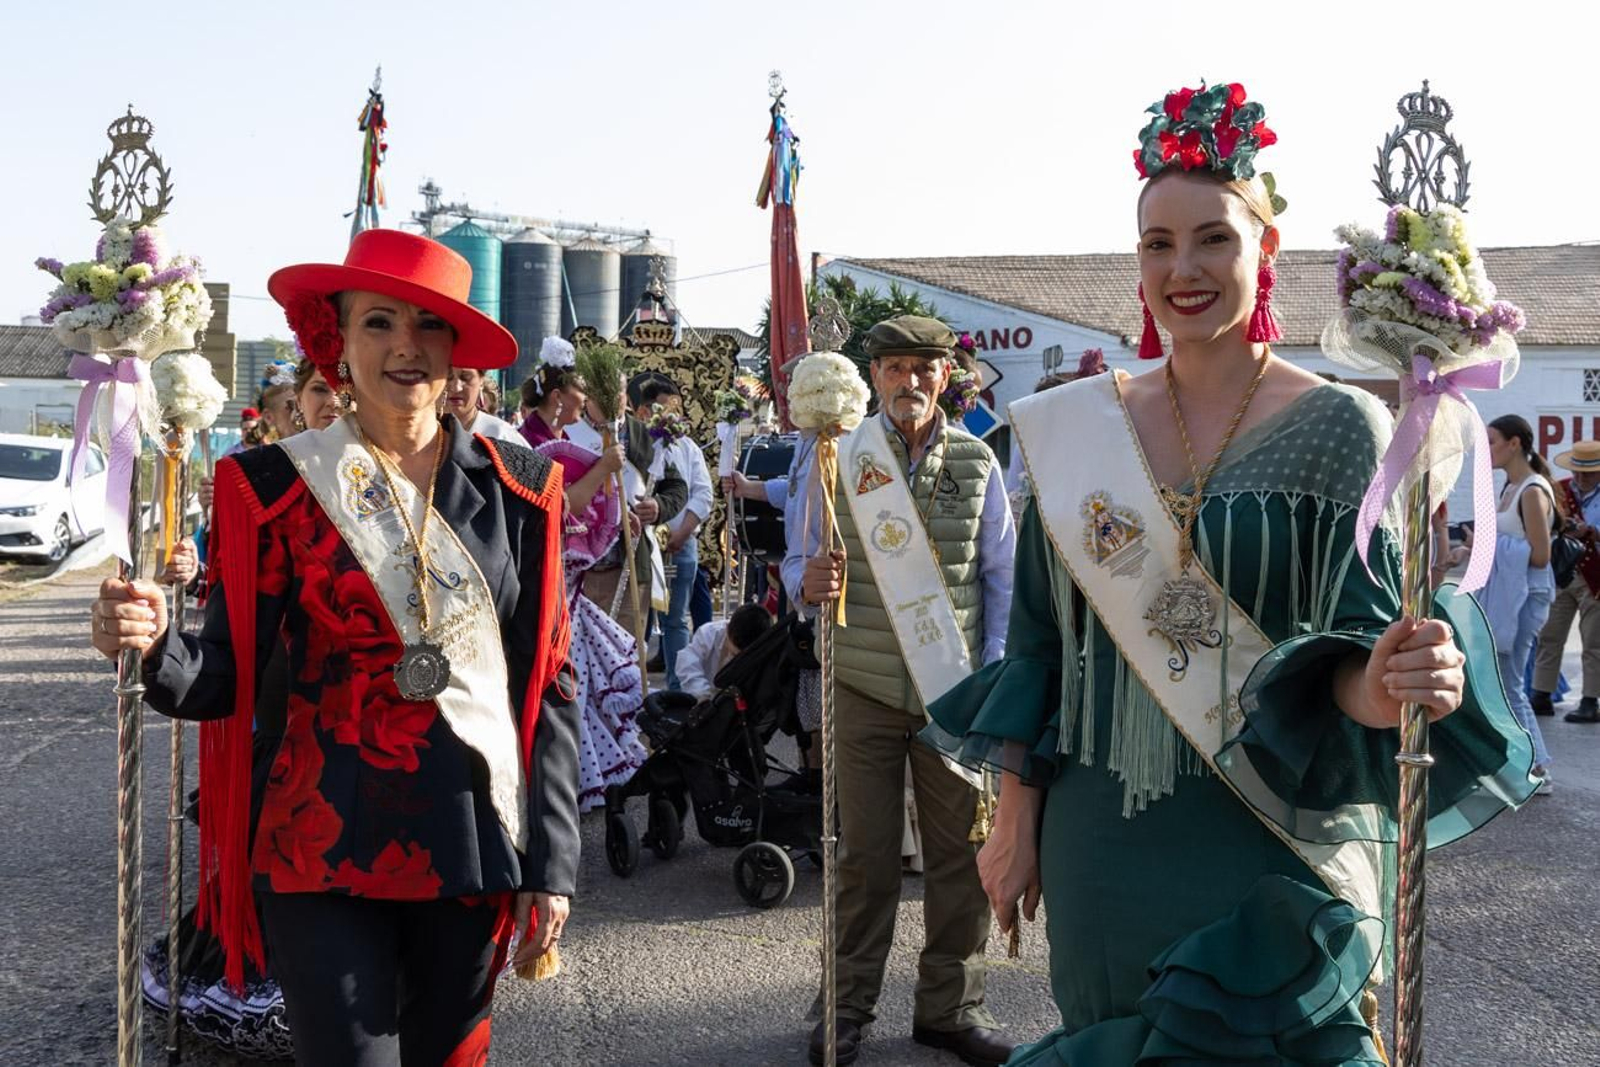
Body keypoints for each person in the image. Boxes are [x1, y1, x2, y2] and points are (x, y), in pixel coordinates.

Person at [924, 82, 1536, 1064]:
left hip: (1268, 835)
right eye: (1156, 244)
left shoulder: (1343, 427)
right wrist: (1015, 818)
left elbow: (1348, 658)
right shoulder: (1074, 427)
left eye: (1211, 236)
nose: (1183, 268)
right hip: (1102, 842)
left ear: (1265, 248)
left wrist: (1389, 684)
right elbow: (1037, 641)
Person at [89, 229, 581, 1066]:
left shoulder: (520, 491)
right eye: (379, 322)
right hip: (319, 844)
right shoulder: (280, 488)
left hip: (472, 838)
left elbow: (550, 682)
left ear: (454, 347)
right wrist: (153, 642)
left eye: (427, 324)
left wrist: (554, 857)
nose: (405, 345)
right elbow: (225, 676)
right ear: (339, 343)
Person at [788, 315, 1017, 1067]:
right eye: (895, 367)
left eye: (925, 368)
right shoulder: (834, 458)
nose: (910, 381)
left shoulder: (981, 462)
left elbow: (1001, 581)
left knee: (962, 857)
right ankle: (845, 1007)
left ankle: (951, 1009)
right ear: (876, 376)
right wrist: (806, 581)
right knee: (864, 857)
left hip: (953, 691)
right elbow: (799, 562)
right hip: (861, 686)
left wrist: (992, 677)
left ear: (946, 378)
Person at [521, 348, 651, 811]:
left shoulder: (558, 438)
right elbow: (562, 509)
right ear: (558, 396)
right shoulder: (528, 442)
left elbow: (589, 510)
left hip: (570, 592)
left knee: (585, 687)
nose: (584, 399)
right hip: (547, 592)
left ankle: (580, 781)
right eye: (579, 390)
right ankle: (559, 784)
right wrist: (602, 469)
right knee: (567, 691)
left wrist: (620, 516)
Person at [1481, 415, 1559, 793]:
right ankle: (1520, 763)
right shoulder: (1511, 487)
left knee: (1509, 681)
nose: (1487, 448)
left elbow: (1541, 555)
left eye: (1492, 441)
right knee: (1501, 680)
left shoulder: (1531, 490)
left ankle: (1539, 766)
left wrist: (1492, 547)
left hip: (1527, 594)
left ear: (1514, 444)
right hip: (1514, 593)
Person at [633, 375, 714, 690]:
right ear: (643, 411)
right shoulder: (635, 444)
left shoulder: (688, 447)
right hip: (640, 543)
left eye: (676, 410)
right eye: (664, 409)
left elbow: (702, 493)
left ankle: (677, 691)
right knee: (636, 620)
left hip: (681, 544)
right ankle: (632, 687)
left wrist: (683, 532)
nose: (672, 417)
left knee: (676, 620)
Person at [1532, 440, 1600, 724]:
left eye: (1590, 473)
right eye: (1579, 472)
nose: (1582, 478)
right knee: (1550, 636)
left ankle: (1590, 699)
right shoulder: (1558, 490)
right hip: (1563, 572)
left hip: (1596, 577)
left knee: (1593, 642)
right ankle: (1541, 694)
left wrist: (1592, 531)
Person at [674, 602, 774, 702]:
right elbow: (687, 663)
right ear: (727, 628)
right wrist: (703, 693)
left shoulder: (766, 647)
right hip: (706, 697)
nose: (735, 659)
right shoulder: (709, 634)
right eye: (734, 654)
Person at [444, 364, 521, 444]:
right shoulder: (430, 434)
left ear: (481, 380)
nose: (456, 388)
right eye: (447, 376)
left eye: (465, 377)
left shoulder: (501, 434)